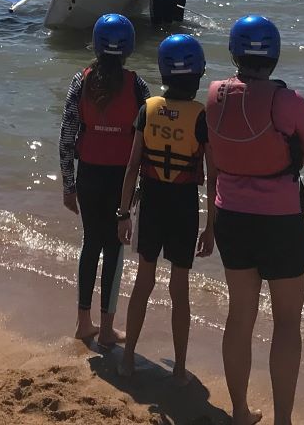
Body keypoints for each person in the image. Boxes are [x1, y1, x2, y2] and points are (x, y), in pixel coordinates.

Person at [206, 14, 304, 425]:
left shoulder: (214, 94)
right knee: (288, 324)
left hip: (231, 217)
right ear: (273, 55)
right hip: (280, 220)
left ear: (235, 52)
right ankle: (283, 420)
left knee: (240, 316)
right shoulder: (288, 101)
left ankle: (239, 411)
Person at [116, 33, 208, 382]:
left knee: (144, 280)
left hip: (151, 202)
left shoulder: (149, 108)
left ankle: (127, 359)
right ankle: (181, 370)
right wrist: (211, 226)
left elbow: (131, 166)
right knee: (179, 288)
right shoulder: (202, 116)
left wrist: (123, 213)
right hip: (183, 207)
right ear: (198, 73)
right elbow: (213, 176)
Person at [59, 13, 149, 347]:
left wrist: (68, 185)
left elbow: (67, 137)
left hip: (89, 177)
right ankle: (108, 329)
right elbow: (148, 141)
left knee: (90, 245)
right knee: (114, 248)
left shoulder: (79, 82)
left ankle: (84, 322)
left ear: (96, 44)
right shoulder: (138, 86)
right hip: (121, 180)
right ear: (129, 48)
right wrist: (142, 187)